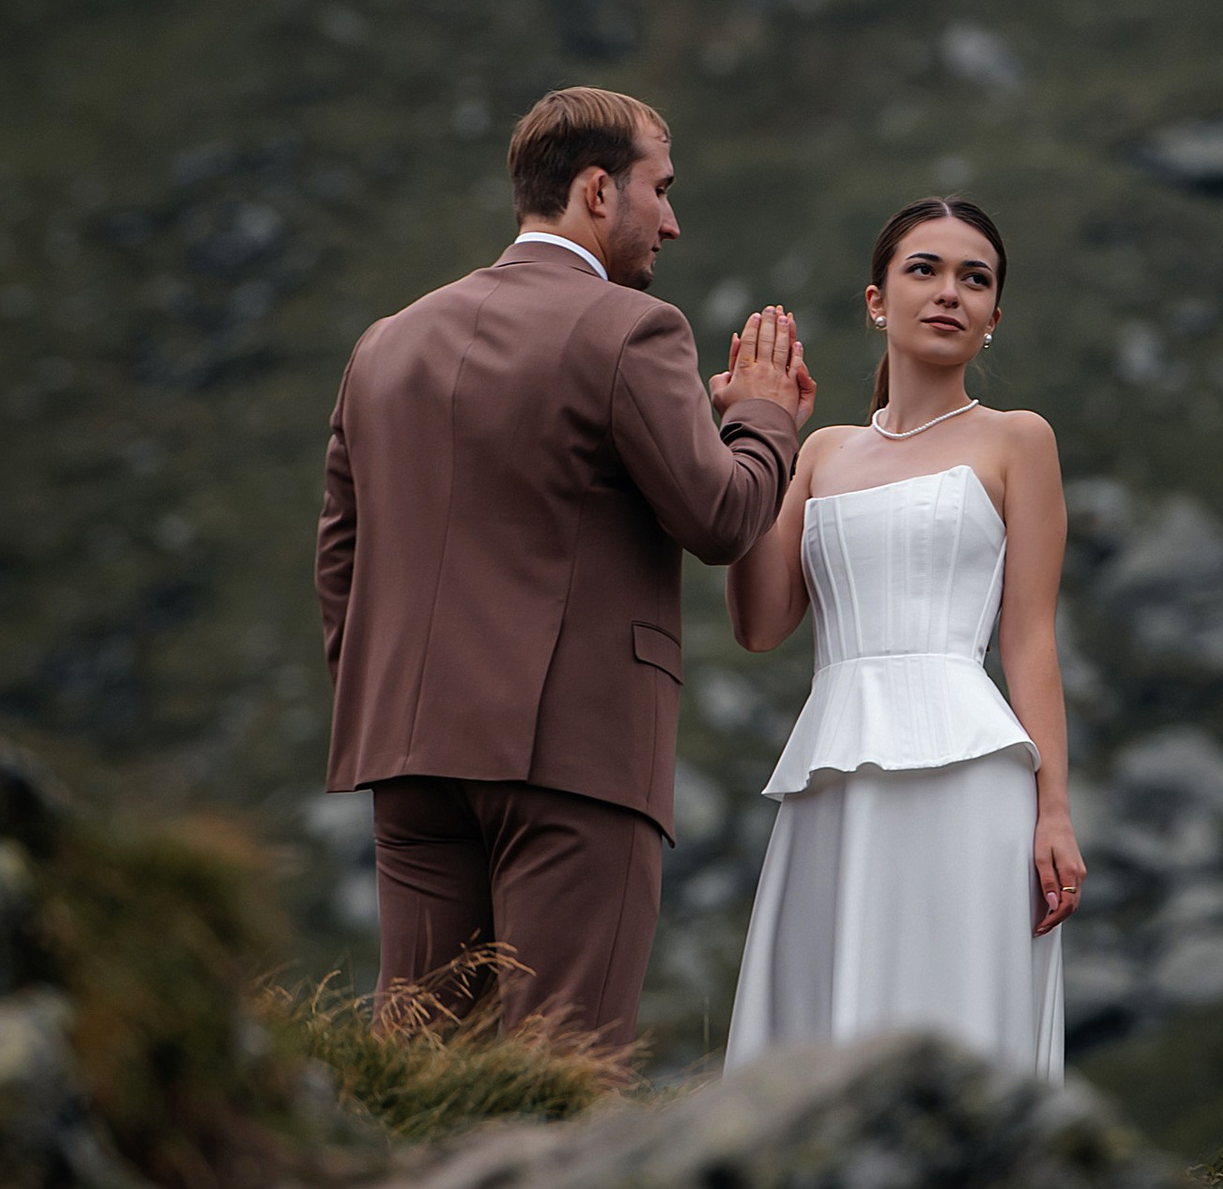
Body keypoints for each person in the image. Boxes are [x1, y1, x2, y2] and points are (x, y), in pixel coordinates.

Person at [316, 84, 811, 1053]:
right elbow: (719, 513)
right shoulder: (630, 328)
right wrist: (764, 417)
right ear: (596, 190)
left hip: (407, 754)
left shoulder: (385, 343)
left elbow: (341, 549)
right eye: (657, 189)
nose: (671, 218)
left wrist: (382, 699)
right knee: (564, 1059)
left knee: (416, 1065)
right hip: (573, 755)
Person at [721, 197, 1084, 1082]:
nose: (949, 292)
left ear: (994, 317)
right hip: (835, 767)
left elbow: (1030, 638)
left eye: (975, 278)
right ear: (878, 299)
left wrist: (1056, 811)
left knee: (957, 997)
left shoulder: (1017, 439)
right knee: (825, 1005)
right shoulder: (823, 454)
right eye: (924, 269)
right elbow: (761, 626)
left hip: (971, 772)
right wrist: (753, 438)